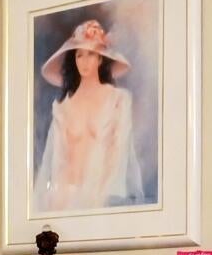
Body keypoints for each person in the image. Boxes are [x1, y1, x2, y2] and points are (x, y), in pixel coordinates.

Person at [34, 18, 146, 211]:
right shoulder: (62, 107)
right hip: (63, 202)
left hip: (104, 200)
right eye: (79, 55)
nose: (84, 62)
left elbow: (120, 154)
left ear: (101, 59)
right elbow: (51, 163)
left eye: (91, 54)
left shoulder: (118, 100)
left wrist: (103, 198)